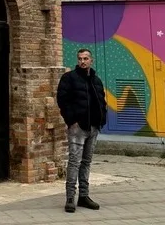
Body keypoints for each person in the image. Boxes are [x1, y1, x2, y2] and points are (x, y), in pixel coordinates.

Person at [57, 48, 107, 213]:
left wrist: (102, 120)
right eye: (80, 59)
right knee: (74, 162)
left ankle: (84, 196)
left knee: (86, 162)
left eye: (85, 58)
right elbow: (62, 100)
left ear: (91, 60)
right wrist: (72, 121)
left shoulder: (96, 80)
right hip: (78, 128)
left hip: (93, 127)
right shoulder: (69, 78)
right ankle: (70, 197)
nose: (82, 61)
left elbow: (102, 101)